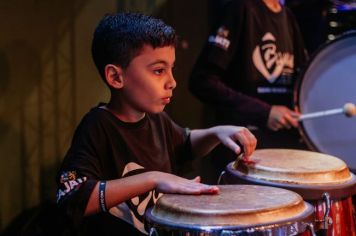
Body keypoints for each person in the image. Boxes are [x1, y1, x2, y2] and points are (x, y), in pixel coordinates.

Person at [56, 12, 257, 236]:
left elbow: (185, 143)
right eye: (159, 71)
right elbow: (73, 198)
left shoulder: (156, 119)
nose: (172, 82)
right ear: (115, 77)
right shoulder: (97, 127)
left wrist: (216, 133)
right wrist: (153, 178)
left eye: (172, 69)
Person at [189, 0, 309, 183]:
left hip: (282, 156)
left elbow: (304, 77)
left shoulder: (288, 16)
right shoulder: (239, 7)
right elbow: (202, 81)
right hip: (242, 154)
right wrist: (264, 112)